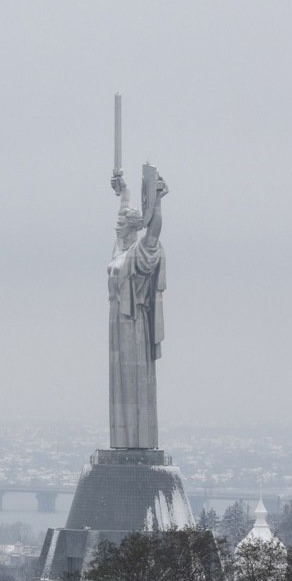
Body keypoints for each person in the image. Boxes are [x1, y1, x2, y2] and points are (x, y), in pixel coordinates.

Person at [107, 168, 167, 449]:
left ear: (132, 227)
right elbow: (124, 213)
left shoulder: (140, 252)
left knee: (134, 382)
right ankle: (122, 442)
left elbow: (153, 231)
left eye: (122, 223)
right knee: (119, 383)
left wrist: (157, 199)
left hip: (134, 325)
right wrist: (125, 191)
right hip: (117, 326)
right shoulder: (119, 251)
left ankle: (137, 443)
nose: (116, 226)